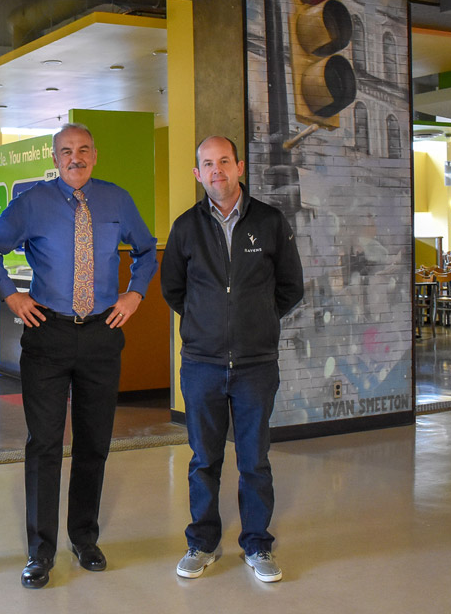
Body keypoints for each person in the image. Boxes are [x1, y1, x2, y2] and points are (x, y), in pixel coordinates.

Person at [0, 122, 157, 589]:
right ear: (54, 159)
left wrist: (134, 294)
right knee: (44, 445)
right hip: (48, 336)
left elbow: (145, 251)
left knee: (95, 443)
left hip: (102, 336)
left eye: (82, 150)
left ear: (95, 154)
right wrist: (10, 296)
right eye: (65, 151)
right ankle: (39, 552)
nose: (74, 158)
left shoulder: (117, 200)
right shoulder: (32, 204)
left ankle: (84, 538)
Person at [161, 135, 304, 583]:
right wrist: (210, 323)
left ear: (239, 167)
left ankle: (257, 545)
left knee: (254, 460)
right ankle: (202, 543)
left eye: (224, 161)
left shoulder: (270, 222)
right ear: (197, 174)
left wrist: (254, 320)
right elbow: (174, 290)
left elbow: (290, 286)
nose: (216, 170)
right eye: (207, 163)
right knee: (203, 459)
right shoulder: (186, 227)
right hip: (202, 364)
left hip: (255, 365)